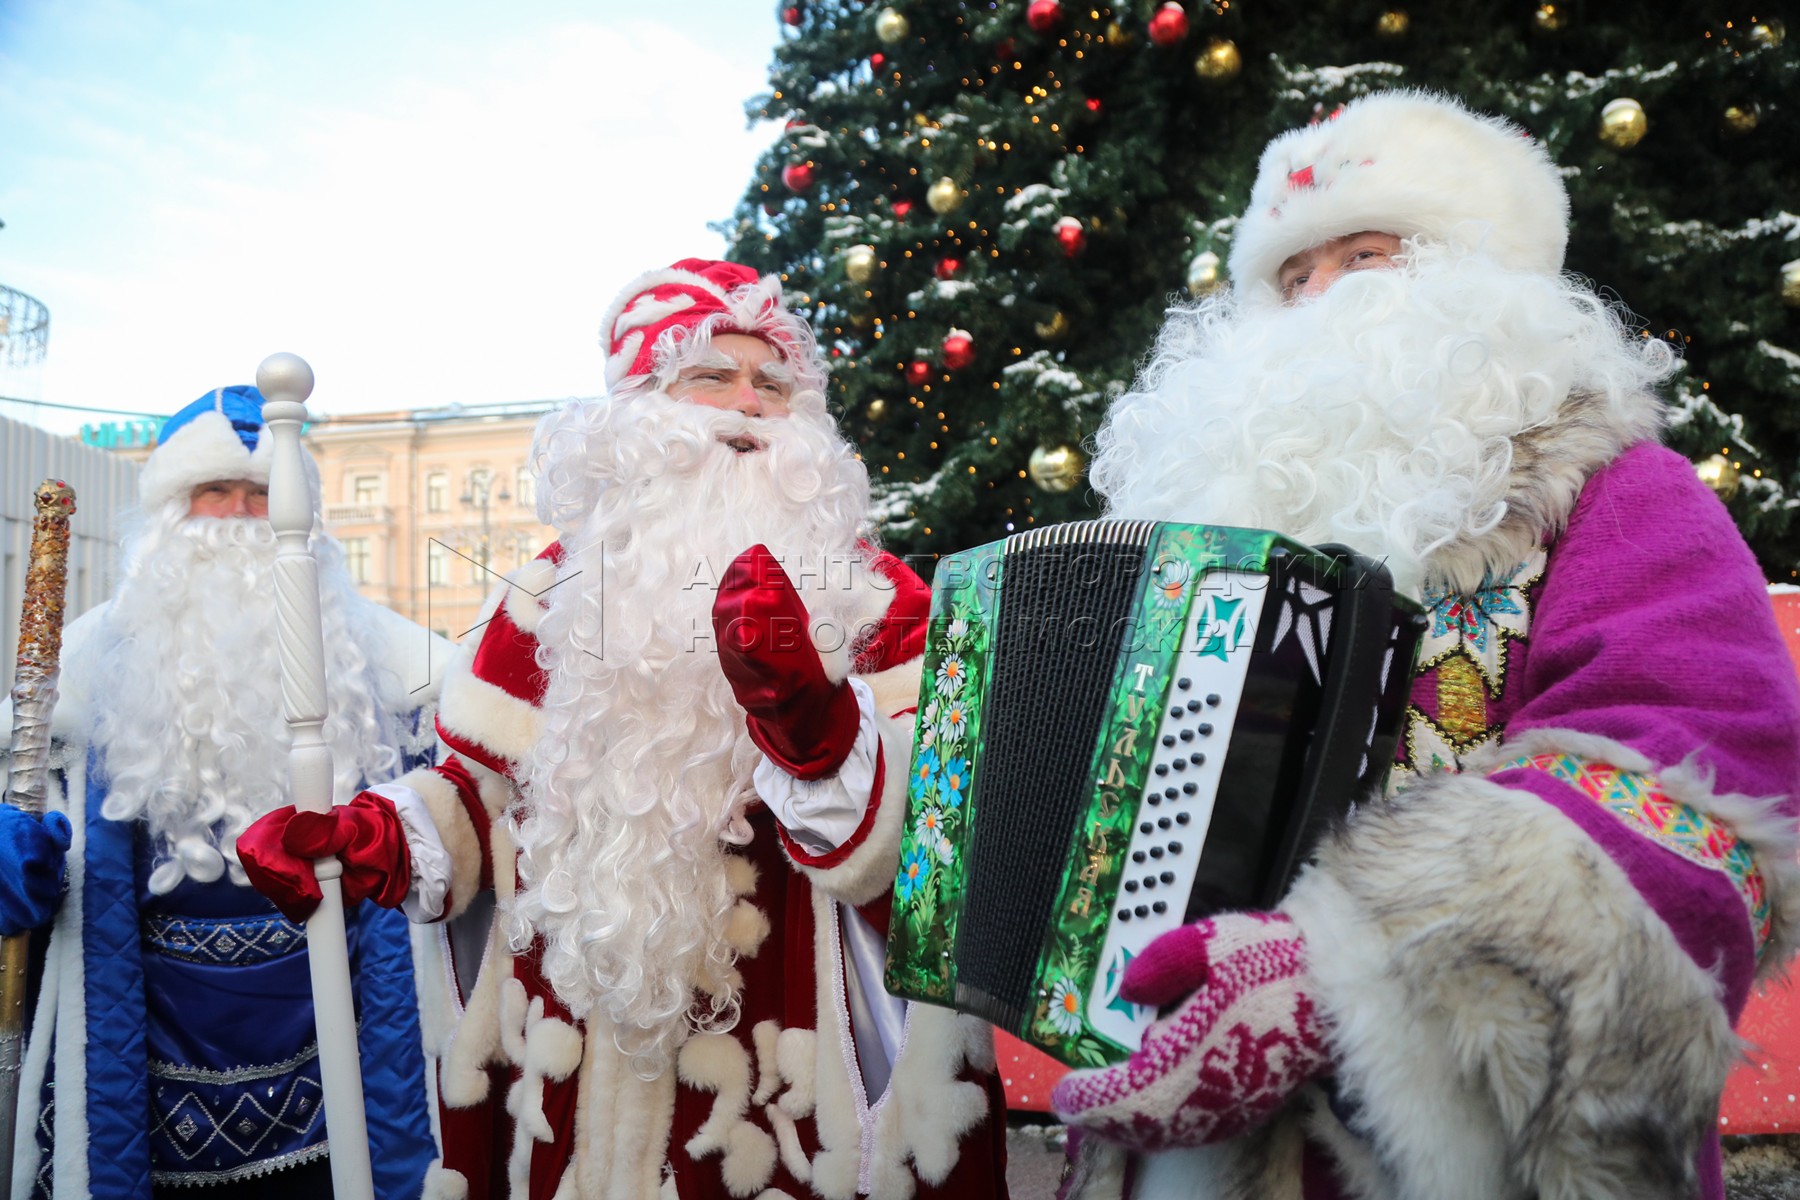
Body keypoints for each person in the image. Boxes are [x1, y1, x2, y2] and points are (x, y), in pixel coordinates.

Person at [1050, 90, 1800, 1200]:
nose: (1319, 299)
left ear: (1482, 281)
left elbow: (1702, 781)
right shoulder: (1193, 558)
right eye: (1293, 277)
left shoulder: (1624, 494)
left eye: (1364, 256)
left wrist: (1351, 974)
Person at [239, 259, 1011, 1200]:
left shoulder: (882, 602)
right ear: (642, 409)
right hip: (574, 1068)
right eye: (712, 375)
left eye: (773, 384)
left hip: (791, 1081)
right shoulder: (548, 595)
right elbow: (485, 800)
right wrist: (381, 834)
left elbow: (949, 846)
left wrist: (822, 734)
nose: (749, 404)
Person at [0, 387, 445, 1199]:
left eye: (264, 493)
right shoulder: (81, 668)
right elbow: (27, 807)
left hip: (340, 1046)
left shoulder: (396, 664)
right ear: (172, 511)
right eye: (215, 491)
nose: (241, 515)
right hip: (146, 1051)